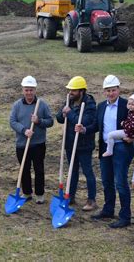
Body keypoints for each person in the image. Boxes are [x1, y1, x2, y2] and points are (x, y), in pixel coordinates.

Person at [78, 75, 134, 228]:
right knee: (106, 180)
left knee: (120, 182)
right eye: (108, 90)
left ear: (119, 90)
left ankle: (125, 217)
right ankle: (108, 209)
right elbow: (96, 126)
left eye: (113, 90)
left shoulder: (128, 104)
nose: (111, 93)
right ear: (104, 91)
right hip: (106, 147)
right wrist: (84, 129)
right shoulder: (101, 106)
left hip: (122, 148)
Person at [55, 76, 98, 211]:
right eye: (69, 90)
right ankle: (70, 195)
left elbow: (84, 121)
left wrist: (70, 113)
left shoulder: (90, 104)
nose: (70, 93)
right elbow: (60, 118)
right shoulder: (69, 101)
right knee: (72, 171)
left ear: (81, 91)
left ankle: (92, 200)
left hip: (84, 144)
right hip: (70, 142)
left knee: (87, 171)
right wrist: (63, 113)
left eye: (73, 90)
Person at [9, 76, 53, 203]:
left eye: (31, 90)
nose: (29, 92)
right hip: (22, 144)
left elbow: (50, 121)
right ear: (23, 90)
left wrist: (39, 121)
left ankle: (40, 194)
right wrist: (24, 130)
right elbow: (12, 121)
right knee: (24, 168)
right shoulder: (17, 105)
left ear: (35, 90)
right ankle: (27, 192)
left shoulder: (42, 104)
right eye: (26, 90)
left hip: (38, 143)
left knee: (39, 169)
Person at [103, 91, 134, 157]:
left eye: (133, 104)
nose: (130, 106)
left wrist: (124, 123)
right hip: (132, 133)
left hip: (129, 132)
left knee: (110, 135)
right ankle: (133, 153)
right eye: (129, 104)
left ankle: (109, 151)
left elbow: (132, 126)